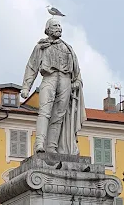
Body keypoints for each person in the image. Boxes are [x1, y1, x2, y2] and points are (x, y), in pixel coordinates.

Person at [20, 18, 86, 155]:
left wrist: (77, 82)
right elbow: (32, 67)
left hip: (66, 80)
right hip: (49, 78)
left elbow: (77, 72)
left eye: (60, 26)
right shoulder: (41, 46)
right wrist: (26, 87)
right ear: (48, 29)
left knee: (59, 115)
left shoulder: (68, 48)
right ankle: (39, 143)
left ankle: (52, 146)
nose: (59, 28)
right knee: (44, 111)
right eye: (55, 25)